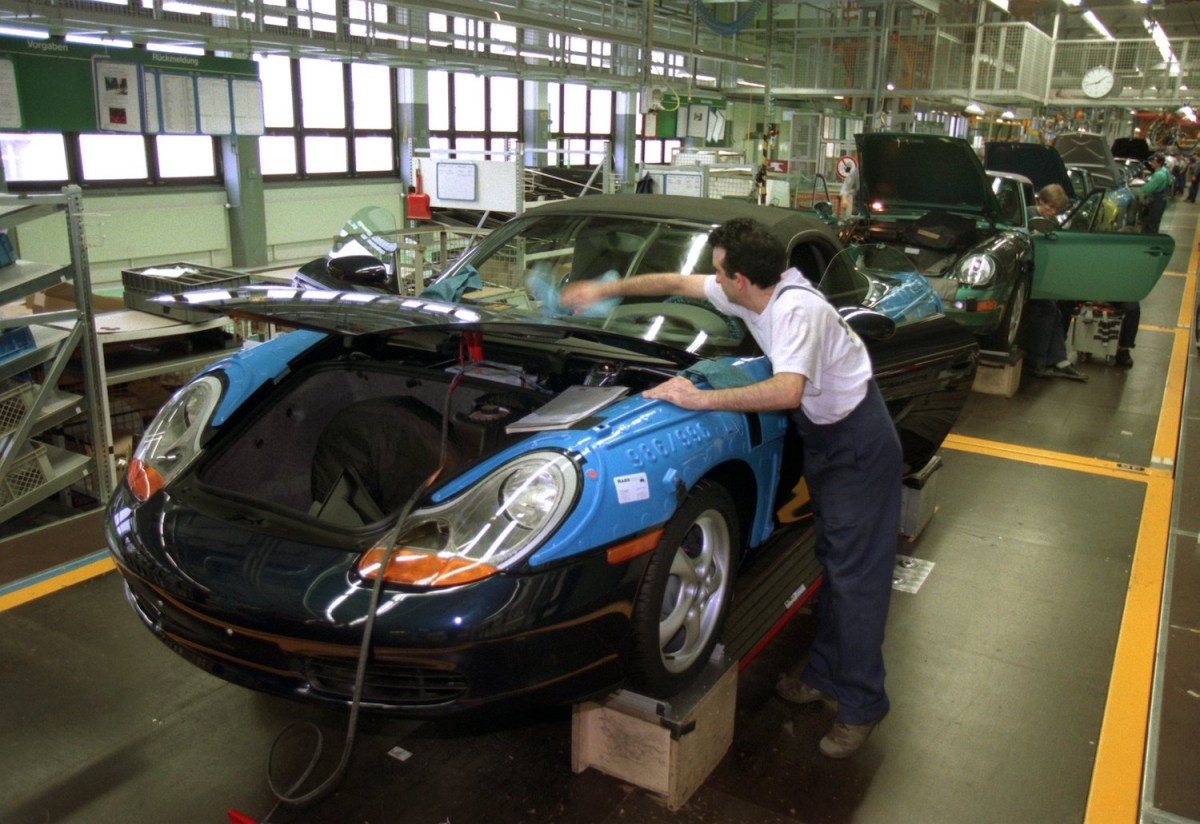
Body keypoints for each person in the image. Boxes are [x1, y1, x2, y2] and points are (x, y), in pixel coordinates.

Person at [560, 217, 902, 760]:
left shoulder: (796, 311)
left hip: (857, 443)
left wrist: (701, 399)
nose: (712, 278)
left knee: (857, 577)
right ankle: (827, 674)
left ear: (742, 278)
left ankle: (862, 703)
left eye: (719, 271)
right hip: (827, 435)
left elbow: (787, 391)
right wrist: (603, 288)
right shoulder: (751, 291)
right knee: (837, 563)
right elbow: (674, 282)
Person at [1023, 184, 1088, 381]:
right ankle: (1038, 362)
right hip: (1027, 276)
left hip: (1043, 276)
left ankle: (1059, 360)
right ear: (1040, 200)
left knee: (1057, 312)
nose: (1052, 213)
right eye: (1049, 207)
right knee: (1047, 311)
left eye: (1056, 210)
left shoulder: (1050, 221)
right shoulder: (1027, 215)